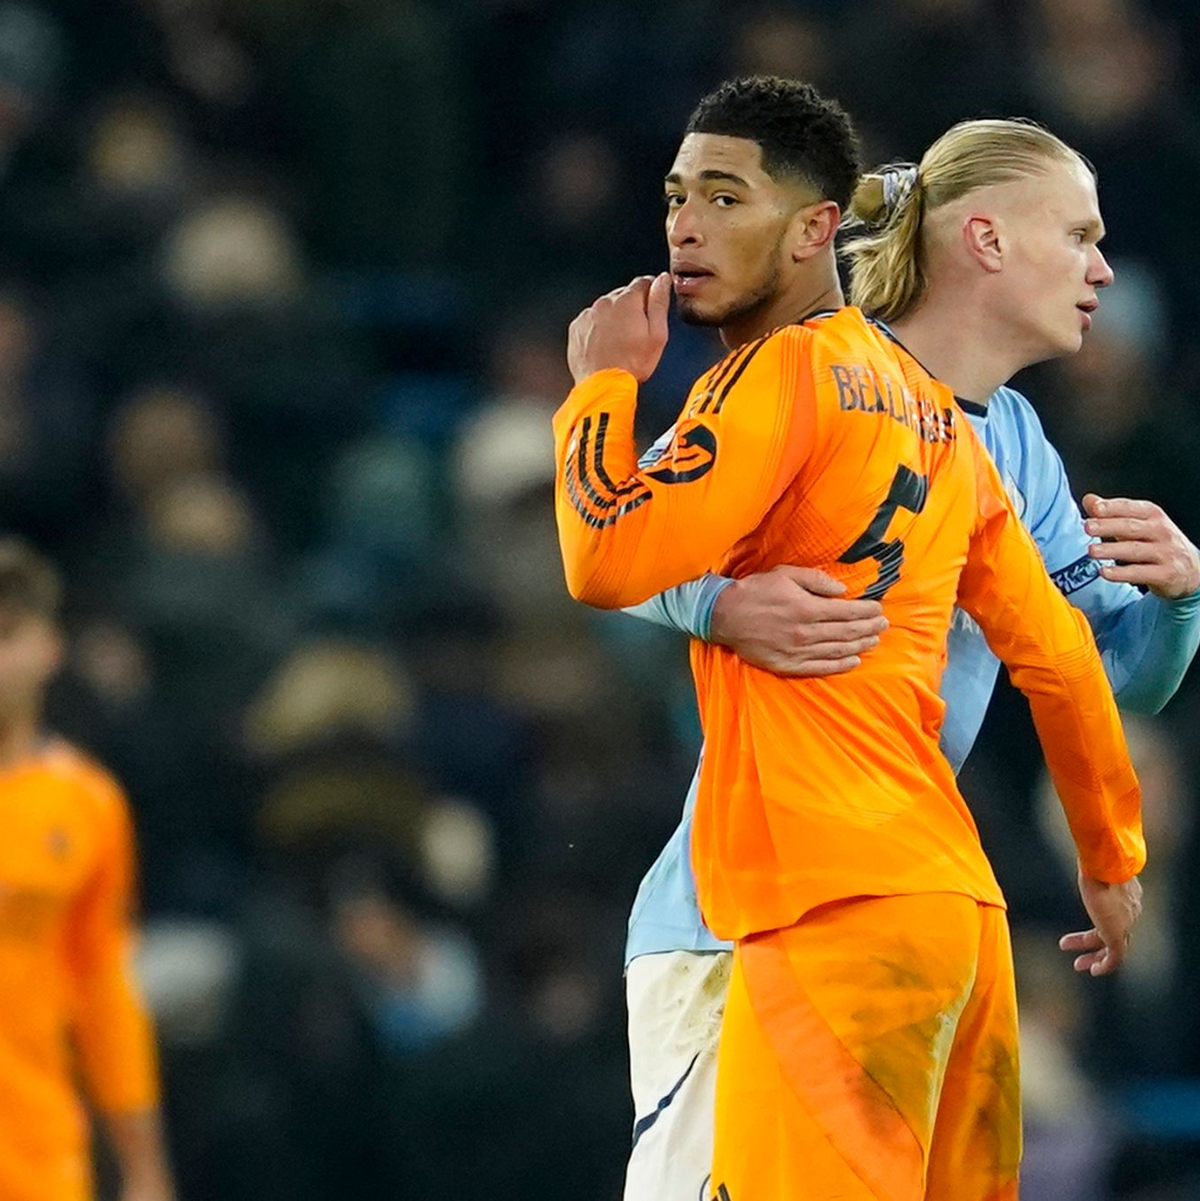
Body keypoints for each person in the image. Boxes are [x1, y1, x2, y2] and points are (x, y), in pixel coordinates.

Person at [552, 77, 1147, 1199]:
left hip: (798, 908)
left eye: (723, 197)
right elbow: (1066, 661)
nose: (684, 227)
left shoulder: (781, 374)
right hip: (956, 921)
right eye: (677, 197)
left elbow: (604, 555)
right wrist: (1112, 861)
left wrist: (600, 389)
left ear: (816, 227)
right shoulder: (959, 441)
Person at [0, 539, 175, 1201]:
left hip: (36, 1157)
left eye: (6, 634)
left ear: (50, 647)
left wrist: (144, 1166)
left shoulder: (87, 805)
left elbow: (105, 987)